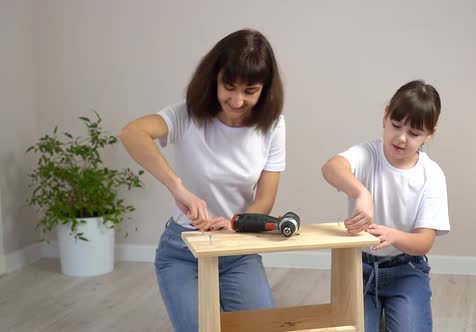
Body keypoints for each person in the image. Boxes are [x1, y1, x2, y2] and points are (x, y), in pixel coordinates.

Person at [119, 29, 285, 331]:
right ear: (214, 78)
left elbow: (265, 200)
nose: (237, 100)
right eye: (229, 87)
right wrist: (178, 187)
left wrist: (235, 223)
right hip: (184, 250)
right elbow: (132, 133)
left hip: (237, 251)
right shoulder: (186, 115)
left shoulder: (272, 125)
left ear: (265, 89)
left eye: (250, 91)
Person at [321, 80, 450, 332]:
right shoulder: (368, 154)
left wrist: (394, 236)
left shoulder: (431, 175)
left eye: (414, 134)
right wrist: (361, 192)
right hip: (360, 267)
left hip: (406, 270)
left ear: (429, 134)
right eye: (396, 125)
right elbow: (330, 167)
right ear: (385, 115)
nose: (401, 138)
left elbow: (424, 242)